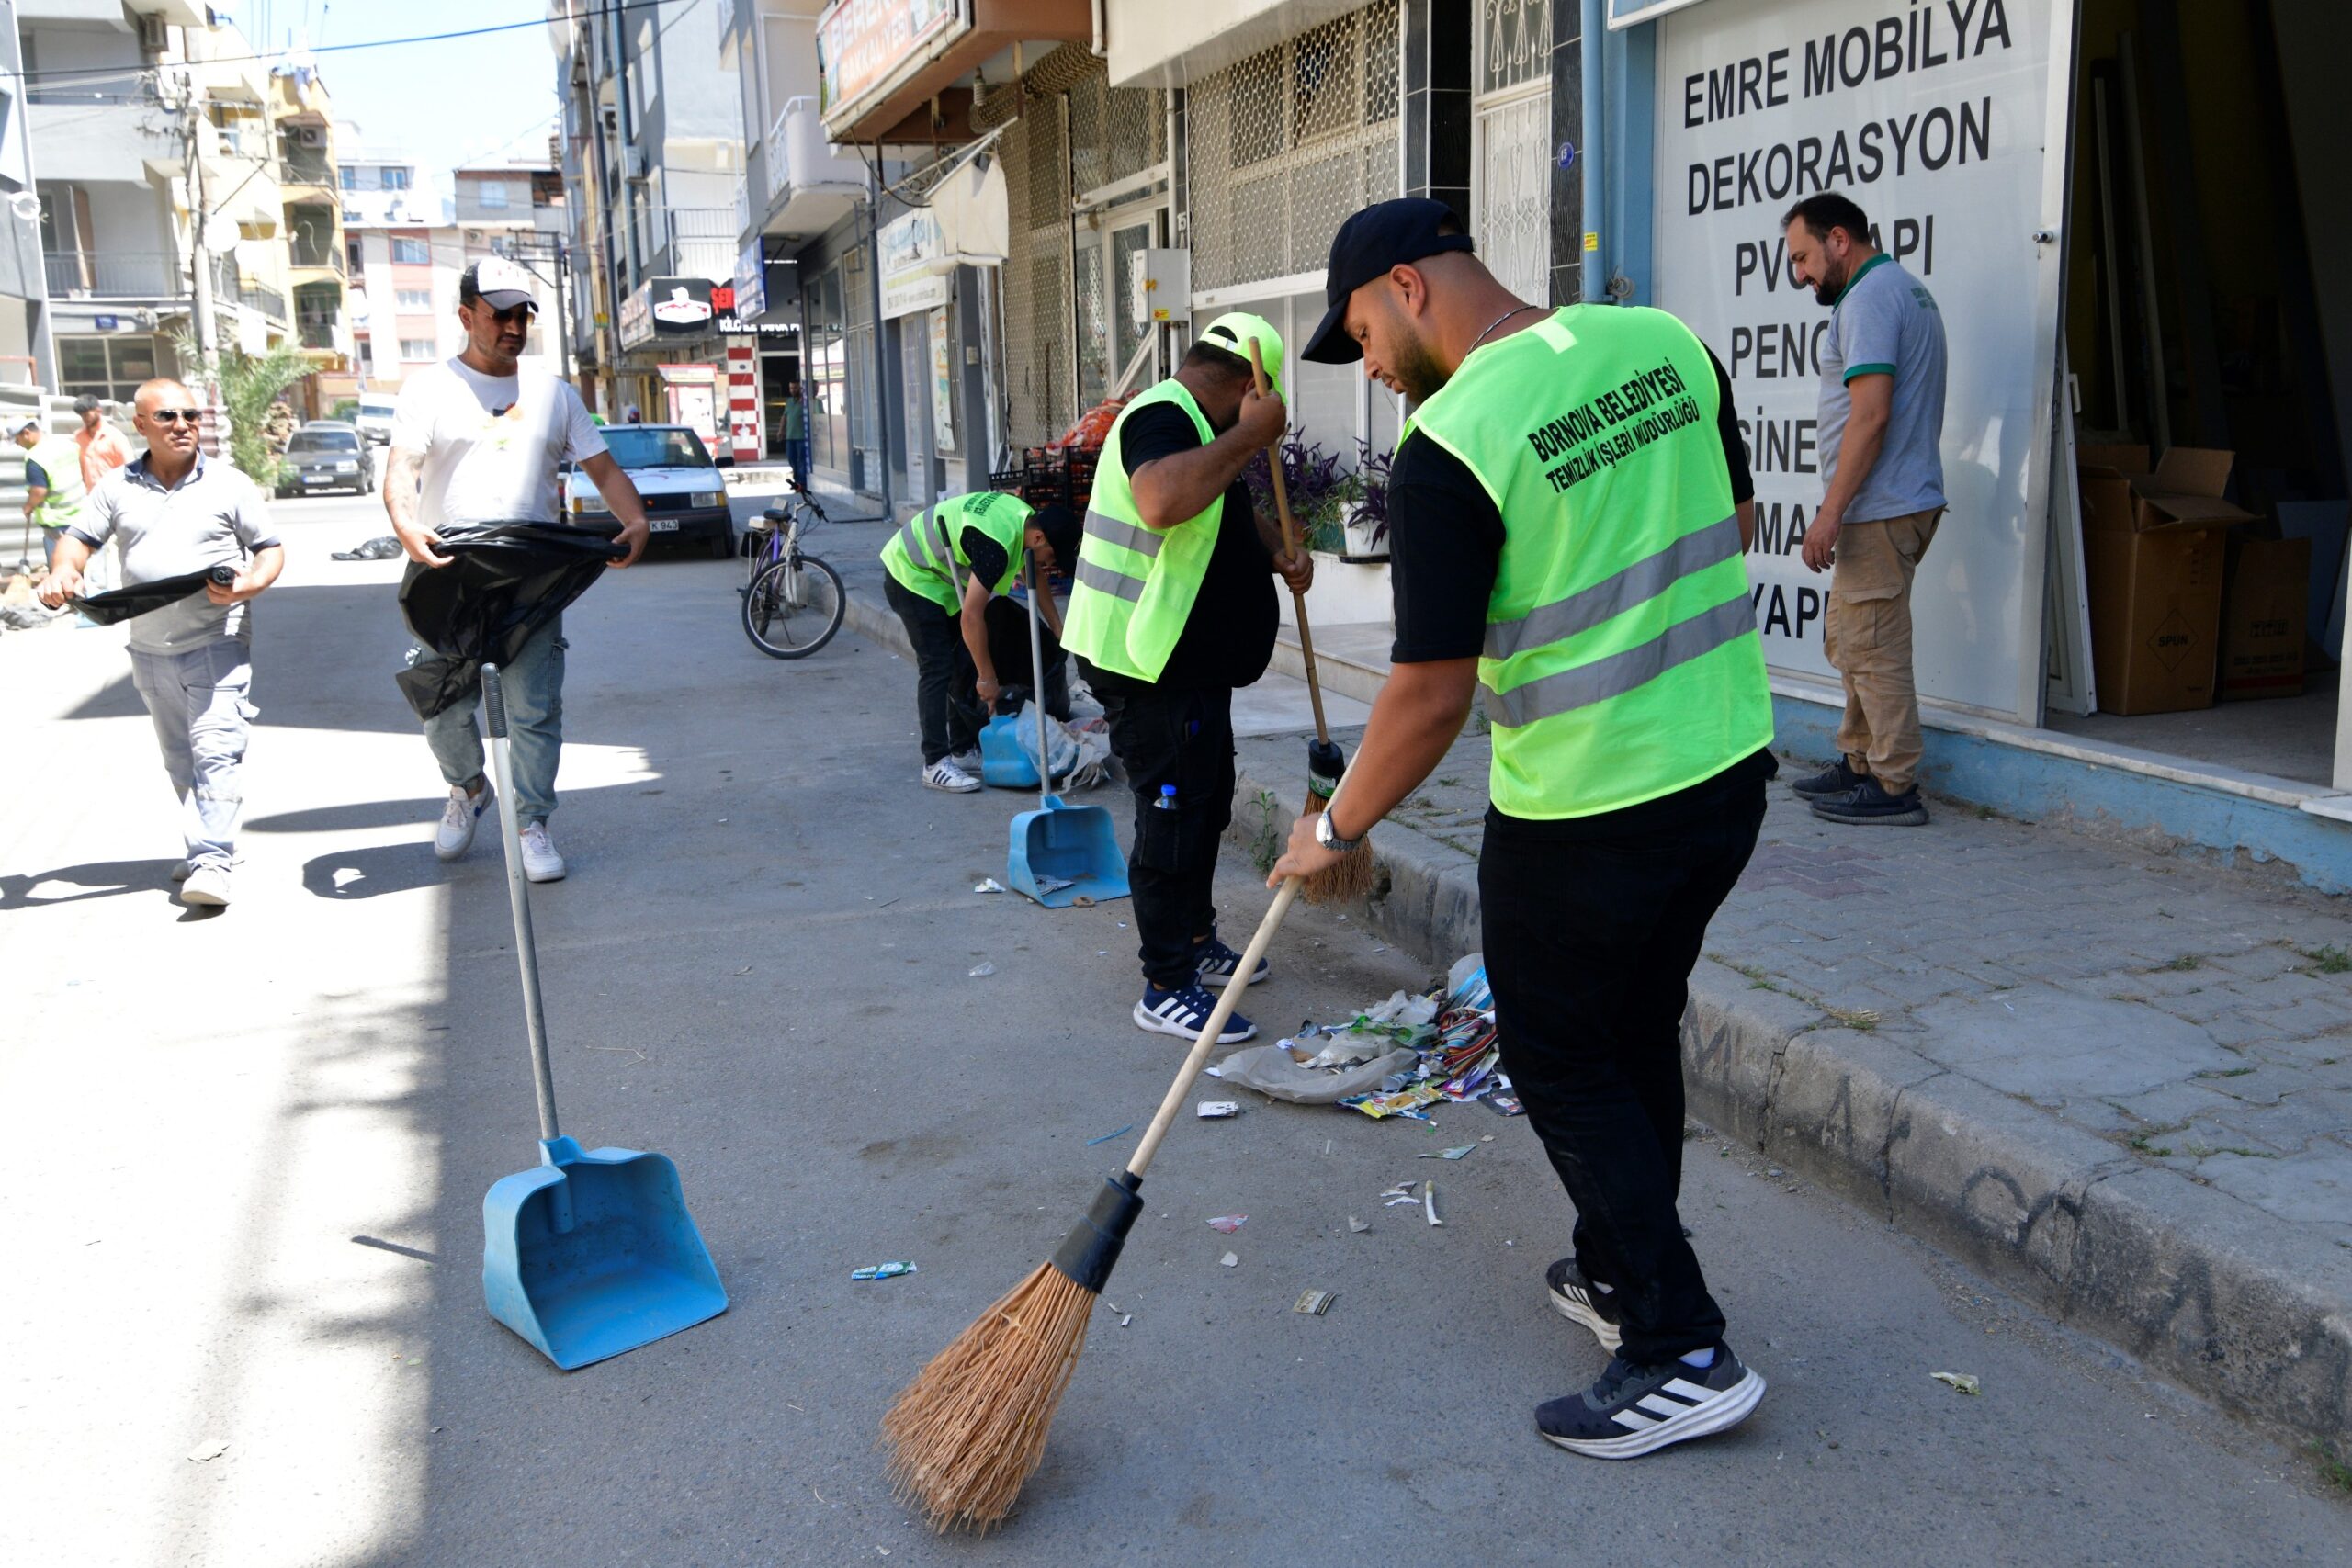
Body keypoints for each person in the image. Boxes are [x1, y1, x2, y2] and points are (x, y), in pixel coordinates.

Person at [1270, 198, 1772, 1458]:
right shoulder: (1665, 344)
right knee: (1632, 1028)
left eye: (1365, 336)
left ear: (1410, 285)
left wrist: (1334, 822)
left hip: (1586, 812)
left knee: (1560, 1058)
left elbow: (1430, 688)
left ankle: (1677, 1343)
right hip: (1723, 774)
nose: (1371, 368)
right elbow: (1737, 523)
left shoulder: (1455, 445)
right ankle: (1620, 1267)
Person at [1060, 312, 1313, 1045]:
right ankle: (1166, 982)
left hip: (1187, 663)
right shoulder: (1161, 418)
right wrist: (1250, 435)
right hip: (1143, 663)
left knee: (1206, 801)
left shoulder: (1204, 431)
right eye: (1261, 402)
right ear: (1246, 385)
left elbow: (1226, 507)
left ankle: (1196, 938)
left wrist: (1279, 553)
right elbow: (1163, 500)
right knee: (1172, 816)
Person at [384, 255, 652, 883]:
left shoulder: (553, 394)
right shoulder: (429, 389)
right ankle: (469, 787)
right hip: (448, 569)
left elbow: (604, 469)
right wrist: (404, 522)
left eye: (522, 315)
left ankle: (532, 822)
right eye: (499, 314)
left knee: (533, 706)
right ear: (466, 316)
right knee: (441, 701)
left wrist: (634, 518)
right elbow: (401, 470)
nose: (512, 326)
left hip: (531, 572)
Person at [36, 378, 284, 908]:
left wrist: (246, 585)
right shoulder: (116, 487)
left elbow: (270, 551)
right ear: (141, 424)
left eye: (191, 416)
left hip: (218, 641)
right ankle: (203, 845)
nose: (182, 425)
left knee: (217, 750)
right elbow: (77, 542)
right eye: (168, 416)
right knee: (180, 759)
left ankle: (214, 859)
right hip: (148, 648)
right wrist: (63, 573)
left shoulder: (228, 483)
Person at [1783, 192, 1949, 828]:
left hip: (1880, 506)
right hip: (1884, 503)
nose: (1800, 274)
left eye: (1803, 257)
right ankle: (1857, 761)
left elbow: (1871, 415)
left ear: (1839, 241)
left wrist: (1829, 512)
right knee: (1852, 637)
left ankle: (1894, 782)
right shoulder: (1895, 289)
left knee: (1874, 646)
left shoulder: (1872, 297)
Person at [880, 491, 1084, 791]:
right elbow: (972, 618)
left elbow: (1033, 572)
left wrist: (1057, 628)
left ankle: (962, 750)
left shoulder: (1023, 518)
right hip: (910, 574)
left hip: (940, 577)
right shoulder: (996, 549)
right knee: (938, 666)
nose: (1052, 564)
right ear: (1039, 538)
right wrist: (987, 679)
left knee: (962, 659)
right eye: (1053, 557)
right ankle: (935, 762)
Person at [15, 414, 86, 570]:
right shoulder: (64, 442)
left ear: (26, 433)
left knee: (61, 570)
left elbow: (39, 491)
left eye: (17, 439)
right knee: (83, 563)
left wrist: (28, 506)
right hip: (81, 512)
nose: (17, 444)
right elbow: (82, 464)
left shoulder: (35, 458)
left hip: (58, 522)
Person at [73, 393, 132, 494]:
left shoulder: (115, 436)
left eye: (87, 414)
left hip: (114, 494)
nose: (85, 418)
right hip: (91, 495)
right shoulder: (79, 437)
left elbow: (129, 466)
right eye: (82, 416)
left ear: (98, 410)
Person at [781, 379, 811, 488]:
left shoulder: (805, 401)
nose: (793, 390)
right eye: (791, 388)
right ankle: (797, 480)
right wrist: (781, 431)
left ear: (800, 388)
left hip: (802, 437)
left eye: (795, 388)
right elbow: (784, 417)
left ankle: (801, 483)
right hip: (790, 437)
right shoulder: (789, 401)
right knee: (791, 459)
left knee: (801, 460)